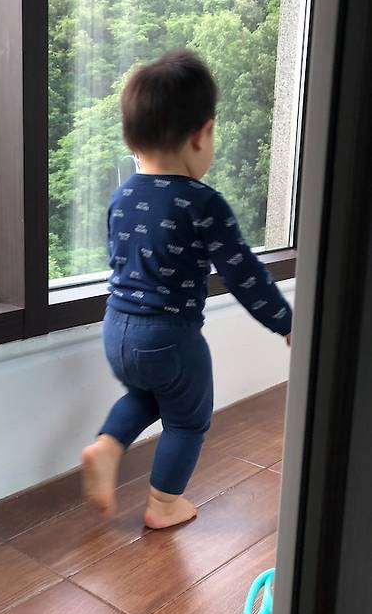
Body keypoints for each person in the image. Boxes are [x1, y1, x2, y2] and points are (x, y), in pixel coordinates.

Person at [81, 48, 292, 529]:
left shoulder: (122, 195)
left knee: (148, 396)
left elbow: (121, 257)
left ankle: (108, 445)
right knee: (188, 418)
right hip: (170, 336)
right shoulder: (202, 201)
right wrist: (285, 322)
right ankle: (163, 504)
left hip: (116, 328)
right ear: (202, 135)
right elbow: (242, 274)